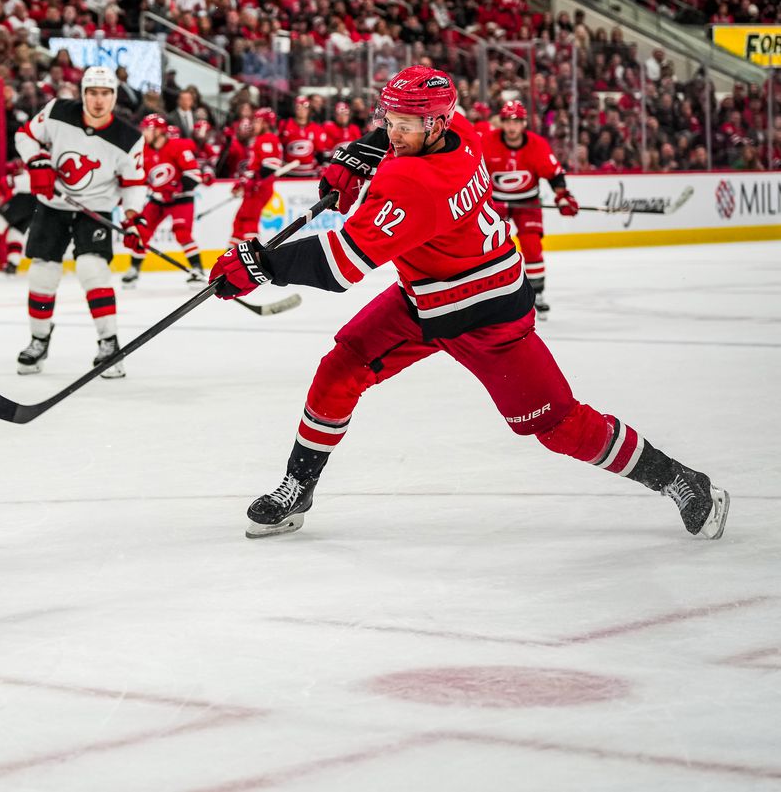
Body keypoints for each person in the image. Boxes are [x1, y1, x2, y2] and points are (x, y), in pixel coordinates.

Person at [208, 66, 729, 541]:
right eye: (388, 120)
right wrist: (361, 151)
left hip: (487, 316)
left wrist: (260, 265)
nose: (394, 133)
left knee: (559, 425)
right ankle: (298, 487)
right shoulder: (464, 133)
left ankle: (680, 479)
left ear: (436, 125)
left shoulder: (415, 184)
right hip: (424, 297)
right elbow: (391, 145)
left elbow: (340, 266)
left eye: (405, 126)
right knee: (339, 368)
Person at [12, 66, 145, 377]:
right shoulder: (57, 110)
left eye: (105, 93)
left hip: (96, 210)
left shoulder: (129, 138)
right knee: (42, 274)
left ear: (114, 96)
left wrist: (133, 218)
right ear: (83, 93)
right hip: (52, 205)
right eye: (93, 93)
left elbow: (134, 183)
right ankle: (39, 339)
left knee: (92, 269)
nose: (99, 100)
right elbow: (25, 136)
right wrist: (37, 161)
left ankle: (109, 343)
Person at [482, 101, 579, 316]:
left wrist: (562, 196)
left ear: (524, 123)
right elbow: (473, 171)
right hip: (496, 201)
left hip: (527, 202)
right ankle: (488, 294)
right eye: (508, 121)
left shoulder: (537, 145)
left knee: (531, 243)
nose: (512, 127)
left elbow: (554, 175)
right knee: (487, 246)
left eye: (516, 122)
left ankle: (537, 293)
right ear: (502, 123)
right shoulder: (487, 142)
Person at [121, 115, 205, 288]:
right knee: (141, 230)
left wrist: (176, 188)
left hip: (180, 199)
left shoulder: (178, 146)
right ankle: (134, 270)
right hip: (158, 200)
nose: (144, 133)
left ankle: (197, 269)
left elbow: (195, 175)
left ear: (159, 131)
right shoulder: (144, 150)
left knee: (182, 233)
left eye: (147, 129)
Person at [229, 107, 283, 247]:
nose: (254, 124)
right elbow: (254, 168)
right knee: (239, 221)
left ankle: (253, 258)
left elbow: (270, 166)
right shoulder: (259, 139)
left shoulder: (268, 138)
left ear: (265, 123)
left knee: (249, 221)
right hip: (253, 188)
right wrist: (242, 182)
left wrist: (252, 180)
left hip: (260, 189)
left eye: (257, 121)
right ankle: (231, 258)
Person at [279, 95, 332, 178]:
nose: (301, 110)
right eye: (298, 107)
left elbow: (320, 152)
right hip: (288, 171)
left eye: (304, 108)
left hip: (309, 172)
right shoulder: (284, 125)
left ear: (309, 110)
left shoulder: (316, 128)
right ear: (295, 109)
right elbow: (279, 147)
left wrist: (321, 167)